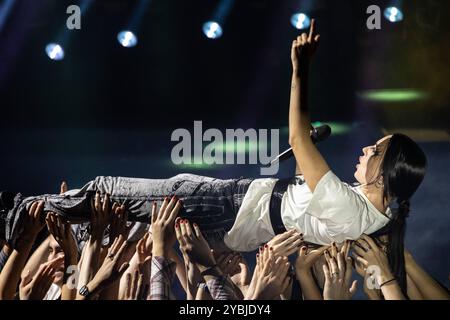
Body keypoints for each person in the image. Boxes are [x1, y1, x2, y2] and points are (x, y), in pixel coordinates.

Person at [0, 22, 427, 285]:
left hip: (226, 206)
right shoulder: (363, 213)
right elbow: (305, 175)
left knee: (110, 190)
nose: (367, 148)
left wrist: (300, 70)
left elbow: (297, 141)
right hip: (233, 209)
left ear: (385, 171)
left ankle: (22, 212)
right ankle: (41, 224)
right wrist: (307, 150)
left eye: (376, 150)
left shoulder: (353, 210)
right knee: (120, 217)